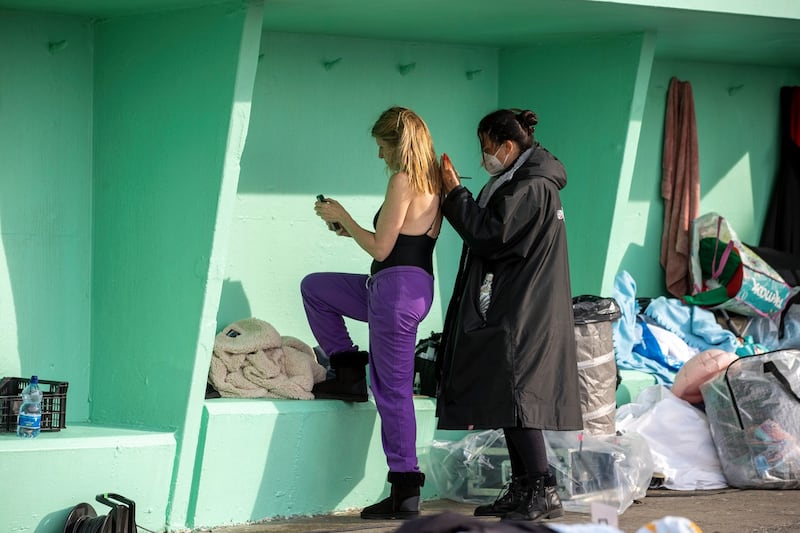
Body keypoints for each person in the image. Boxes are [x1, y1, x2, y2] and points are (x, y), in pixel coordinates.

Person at [437, 108, 583, 521]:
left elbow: (489, 234)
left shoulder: (532, 186)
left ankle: (542, 488)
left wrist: (453, 193)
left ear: (507, 146)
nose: (483, 157)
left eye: (486, 149)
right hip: (520, 302)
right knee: (509, 396)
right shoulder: (522, 181)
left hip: (525, 308)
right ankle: (523, 487)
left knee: (521, 397)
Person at [300, 106, 441, 520]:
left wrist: (343, 215)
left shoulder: (404, 180)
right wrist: (351, 231)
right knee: (317, 288)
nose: (380, 156)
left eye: (382, 146)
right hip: (397, 287)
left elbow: (381, 248)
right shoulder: (433, 179)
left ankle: (405, 492)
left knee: (392, 390)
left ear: (397, 144)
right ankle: (346, 372)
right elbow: (390, 241)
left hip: (395, 290)